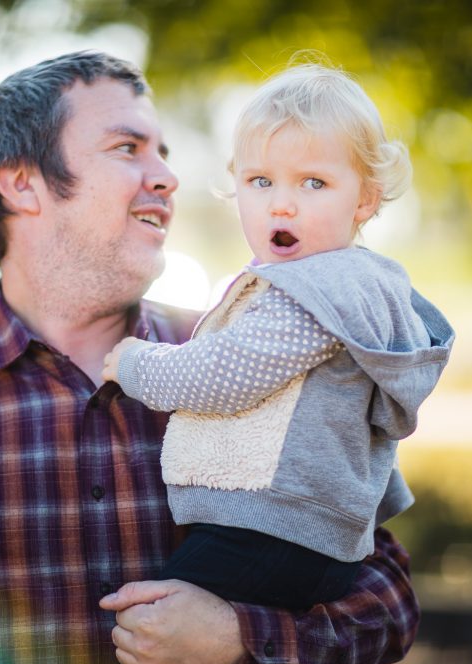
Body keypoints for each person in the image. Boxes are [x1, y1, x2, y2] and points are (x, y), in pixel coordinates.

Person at [0, 51, 420, 664]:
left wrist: (239, 640)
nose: (166, 177)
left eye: (163, 152)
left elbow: (385, 601)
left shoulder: (243, 352)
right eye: (127, 148)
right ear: (23, 183)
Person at [101, 62, 454, 613]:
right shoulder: (348, 290)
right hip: (304, 537)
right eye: (260, 181)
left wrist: (133, 362)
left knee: (150, 627)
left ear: (364, 201)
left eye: (314, 183)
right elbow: (352, 429)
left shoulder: (311, 294)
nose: (281, 203)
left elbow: (220, 376)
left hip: (269, 528)